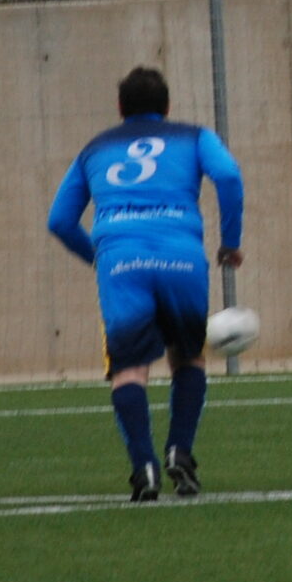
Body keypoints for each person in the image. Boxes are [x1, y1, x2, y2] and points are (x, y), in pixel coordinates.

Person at [46, 67, 244, 502]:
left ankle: (144, 469)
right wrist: (230, 242)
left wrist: (99, 257)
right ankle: (180, 452)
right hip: (182, 257)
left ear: (120, 108)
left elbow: (59, 221)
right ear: (167, 107)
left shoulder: (95, 148)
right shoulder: (194, 136)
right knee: (188, 358)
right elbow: (228, 176)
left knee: (129, 370)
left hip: (122, 261)